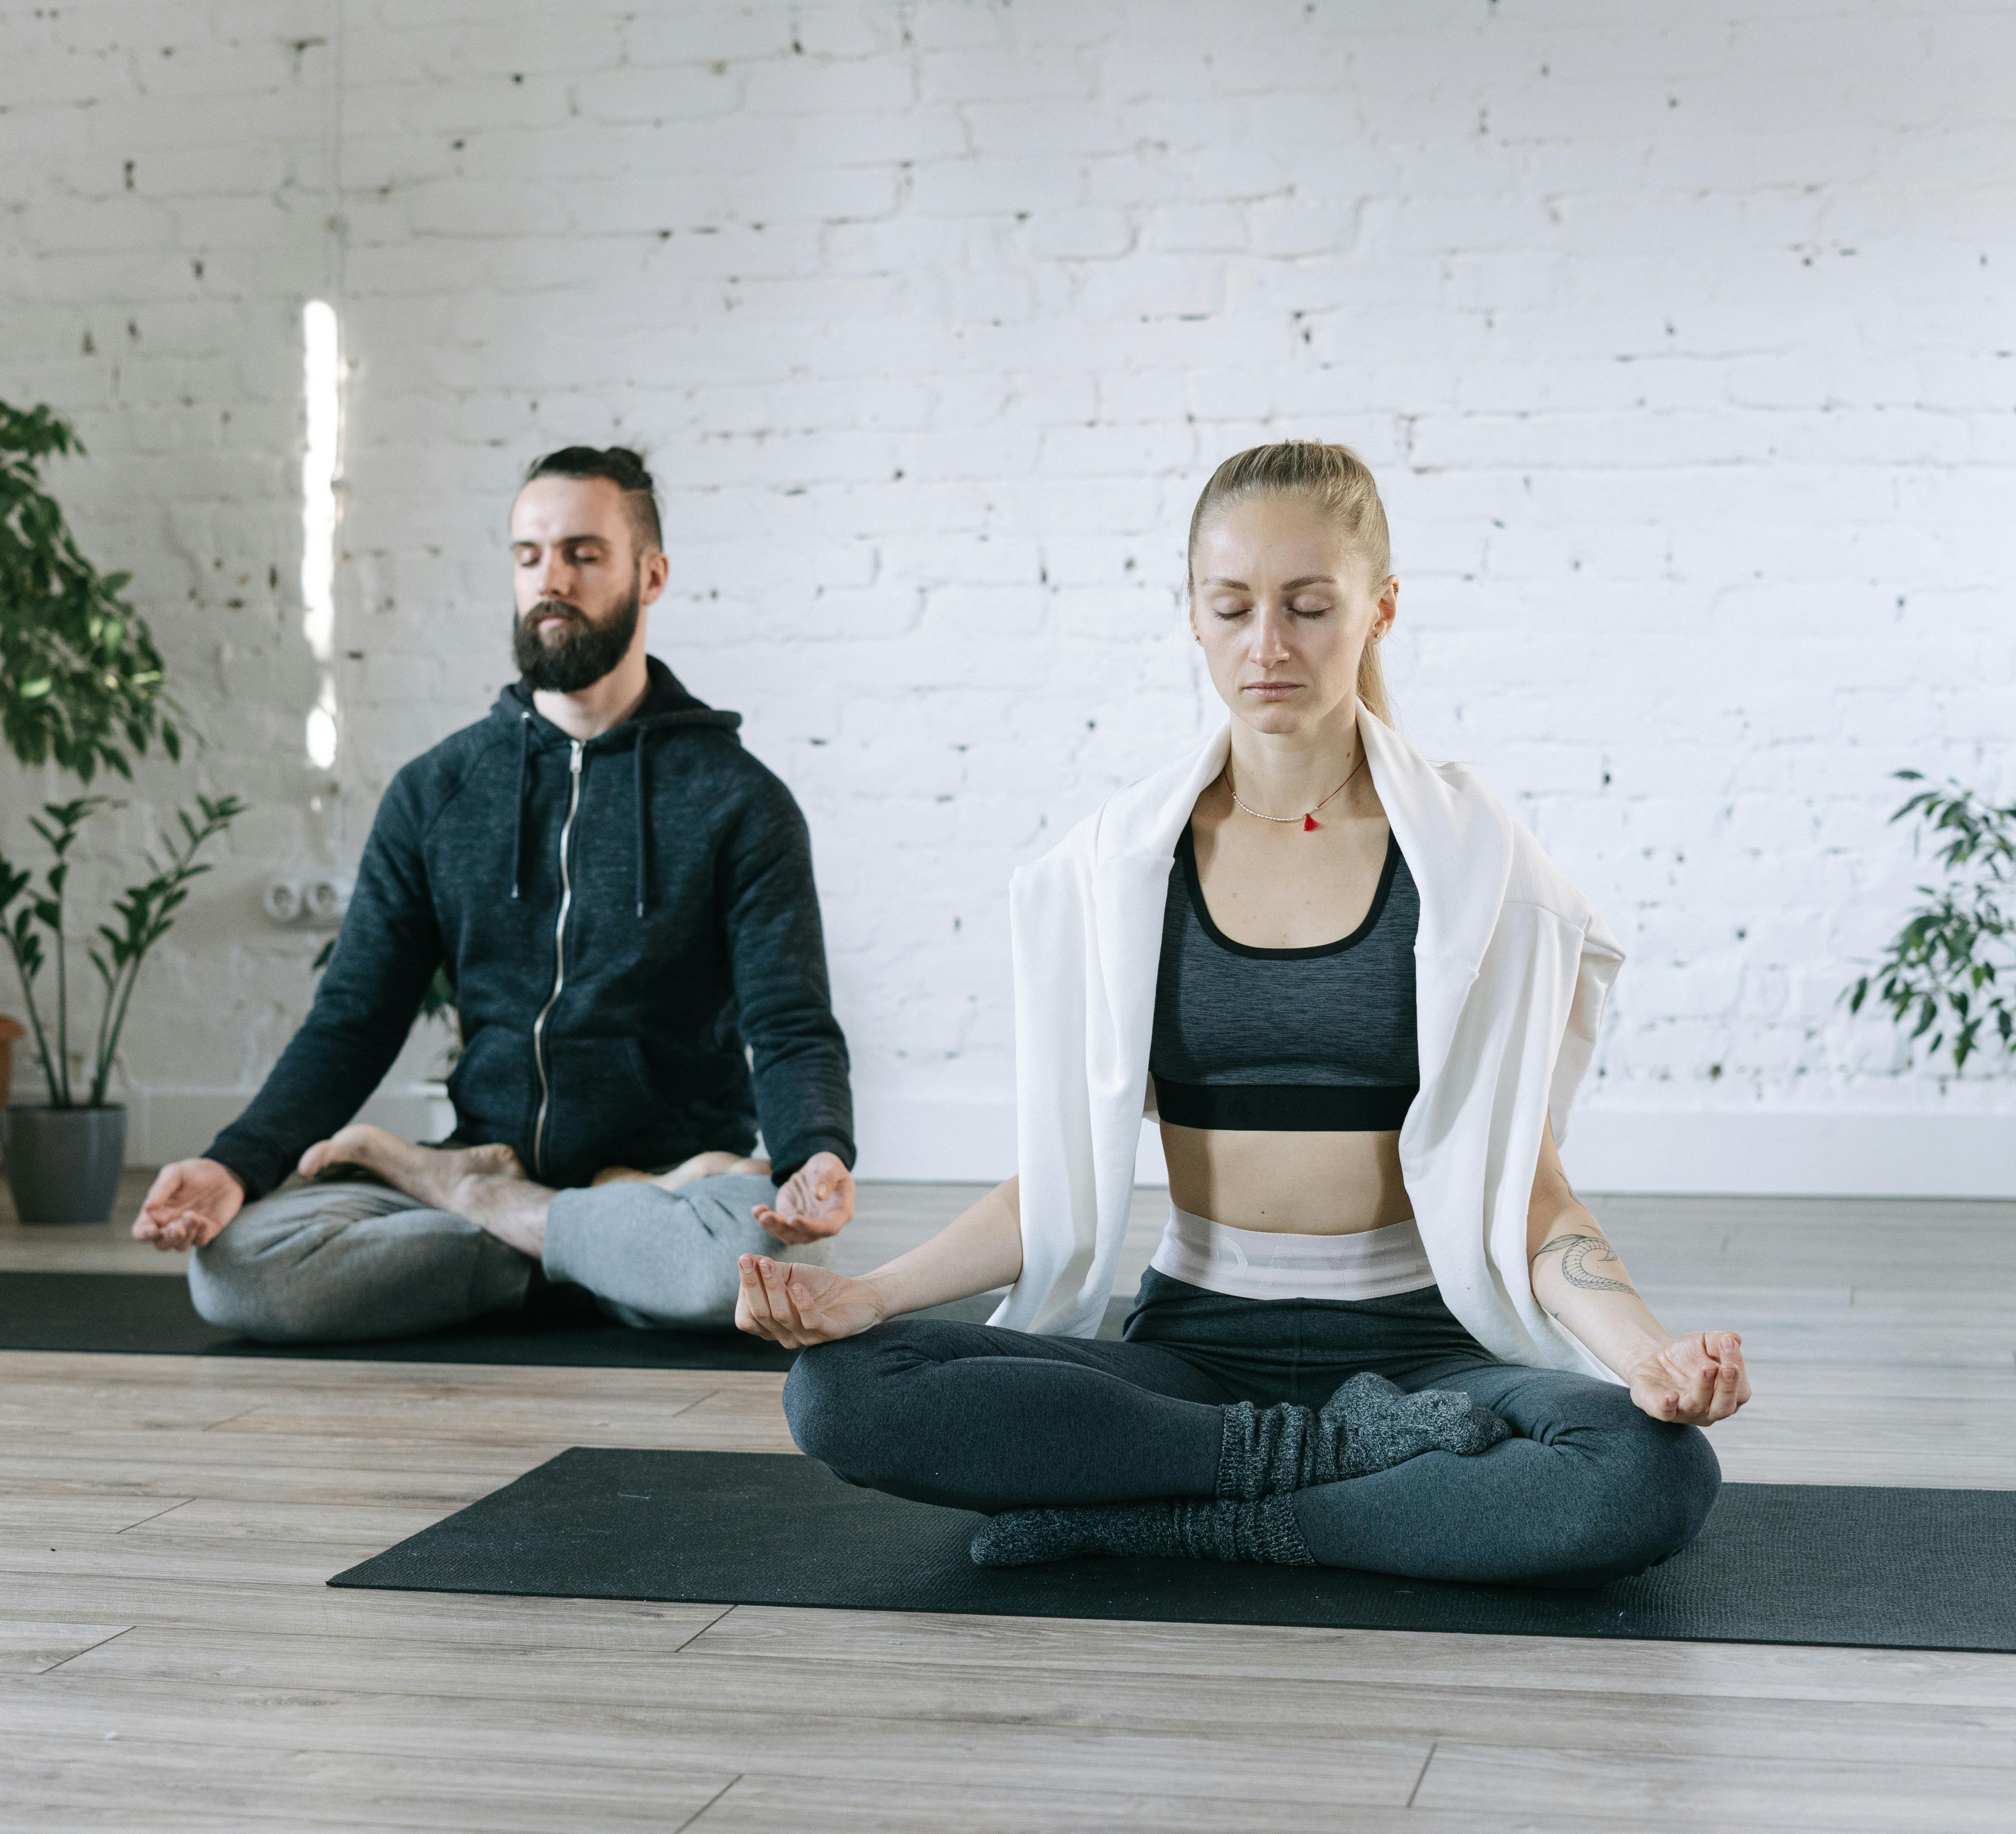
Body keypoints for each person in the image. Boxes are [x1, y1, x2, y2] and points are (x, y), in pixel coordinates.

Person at [737, 442, 1744, 1587]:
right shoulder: (1118, 869)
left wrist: (1652, 1357)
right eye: (1233, 607)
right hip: (1197, 1351)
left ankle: (1179, 1518)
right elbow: (1053, 1181)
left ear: (1381, 610)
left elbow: (1534, 1196)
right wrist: (863, 1294)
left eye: (1309, 607)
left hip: (1425, 1357)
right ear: (1196, 620)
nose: (1268, 645)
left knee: (1650, 1470)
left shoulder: (1477, 870)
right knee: (838, 1390)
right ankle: (1325, 1468)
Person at [132, 446, 857, 1341]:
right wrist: (233, 1163)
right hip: (518, 1162)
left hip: (673, 1170)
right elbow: (354, 1015)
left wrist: (815, 1154)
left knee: (763, 1258)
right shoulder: (438, 793)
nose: (550, 579)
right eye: (528, 555)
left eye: (583, 554)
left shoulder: (738, 801)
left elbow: (789, 1021)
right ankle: (587, 1255)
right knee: (239, 1270)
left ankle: (496, 1211)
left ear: (652, 574)